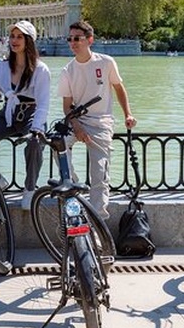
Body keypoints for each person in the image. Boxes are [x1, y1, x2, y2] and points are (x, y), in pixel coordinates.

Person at [57, 20, 137, 221]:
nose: (72, 43)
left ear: (90, 40)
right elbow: (67, 106)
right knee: (57, 147)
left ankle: (98, 225)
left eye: (77, 38)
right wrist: (76, 128)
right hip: (77, 121)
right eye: (70, 39)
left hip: (101, 123)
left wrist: (128, 114)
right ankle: (74, 184)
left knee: (99, 175)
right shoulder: (67, 70)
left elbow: (119, 88)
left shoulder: (106, 62)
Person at [0, 20, 50, 210]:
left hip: (31, 114)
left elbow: (43, 103)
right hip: (9, 115)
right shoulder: (1, 68)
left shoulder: (41, 69)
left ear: (29, 40)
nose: (14, 40)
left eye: (19, 36)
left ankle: (29, 189)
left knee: (35, 142)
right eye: (12, 36)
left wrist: (37, 128)